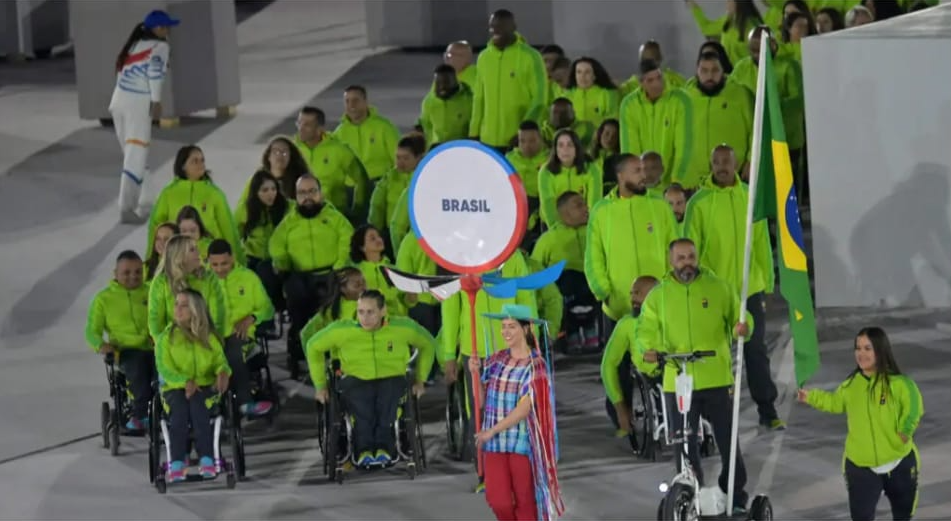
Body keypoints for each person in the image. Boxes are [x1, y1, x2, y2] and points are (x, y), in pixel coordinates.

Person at [639, 238, 752, 516]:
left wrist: (743, 327)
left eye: (690, 256)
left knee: (728, 441)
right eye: (680, 258)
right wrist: (648, 350)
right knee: (684, 446)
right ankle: (692, 497)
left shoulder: (718, 288)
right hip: (676, 381)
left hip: (715, 378)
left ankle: (735, 495)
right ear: (671, 262)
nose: (686, 262)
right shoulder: (658, 296)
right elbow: (644, 332)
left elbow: (741, 316)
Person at [684, 145, 782, 429]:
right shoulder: (698, 204)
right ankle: (715, 417)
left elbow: (763, 242)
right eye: (716, 162)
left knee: (755, 351)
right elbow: (690, 246)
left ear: (736, 163)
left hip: (750, 290)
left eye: (727, 161)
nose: (722, 167)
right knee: (716, 355)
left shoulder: (750, 198)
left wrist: (768, 282)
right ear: (711, 165)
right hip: (714, 293)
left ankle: (768, 410)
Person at [798, 327, 924, 521]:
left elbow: (913, 408)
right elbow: (835, 402)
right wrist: (811, 397)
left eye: (867, 348)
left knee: (903, 516)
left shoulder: (900, 384)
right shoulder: (850, 385)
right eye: (858, 348)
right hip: (861, 467)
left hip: (900, 462)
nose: (861, 353)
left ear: (880, 350)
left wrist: (904, 433)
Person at [310, 290, 436, 467]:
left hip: (392, 379)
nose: (365, 317)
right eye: (361, 312)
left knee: (387, 395)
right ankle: (364, 450)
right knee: (363, 399)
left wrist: (420, 380)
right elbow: (312, 347)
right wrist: (320, 385)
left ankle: (384, 448)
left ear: (383, 310)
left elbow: (428, 344)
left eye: (370, 312)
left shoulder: (402, 327)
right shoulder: (342, 329)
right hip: (355, 379)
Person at [471, 304, 564, 521]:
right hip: (495, 444)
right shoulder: (496, 360)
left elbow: (525, 407)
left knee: (525, 501)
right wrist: (475, 374)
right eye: (503, 327)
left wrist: (492, 430)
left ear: (525, 329)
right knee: (498, 500)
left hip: (521, 443)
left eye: (511, 326)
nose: (505, 332)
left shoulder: (536, 365)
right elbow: (481, 400)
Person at [269, 175, 354, 377]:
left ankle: (331, 354)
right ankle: (299, 353)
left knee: (329, 310)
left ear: (320, 193)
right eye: (302, 193)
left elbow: (347, 239)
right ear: (296, 197)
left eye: (312, 192)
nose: (308, 197)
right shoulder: (289, 222)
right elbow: (276, 246)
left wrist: (339, 267)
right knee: (297, 306)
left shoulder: (334, 218)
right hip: (300, 276)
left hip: (330, 274)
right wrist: (284, 265)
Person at [585, 154, 678, 331]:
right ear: (620, 175)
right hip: (618, 307)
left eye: (643, 170)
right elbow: (593, 255)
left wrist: (672, 287)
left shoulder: (660, 206)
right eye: (637, 171)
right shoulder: (601, 211)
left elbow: (674, 248)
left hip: (659, 303)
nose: (644, 176)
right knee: (616, 358)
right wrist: (603, 292)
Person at [109, 10, 179, 223]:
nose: (167, 30)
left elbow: (121, 73)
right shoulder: (160, 47)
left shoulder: (133, 45)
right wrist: (156, 101)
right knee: (135, 156)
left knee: (135, 155)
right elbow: (155, 74)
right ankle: (126, 208)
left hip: (118, 104)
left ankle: (148, 200)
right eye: (164, 27)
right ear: (155, 28)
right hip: (137, 106)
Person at [154, 289, 231, 482]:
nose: (178, 309)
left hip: (203, 387)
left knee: (199, 407)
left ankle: (207, 458)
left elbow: (220, 361)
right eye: (176, 304)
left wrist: (223, 372)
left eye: (184, 305)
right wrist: (184, 382)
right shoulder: (166, 338)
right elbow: (164, 368)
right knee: (179, 411)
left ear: (196, 310)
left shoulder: (209, 338)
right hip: (174, 388)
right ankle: (178, 461)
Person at [85, 250, 154, 431]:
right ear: (115, 273)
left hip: (155, 347)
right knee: (138, 368)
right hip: (125, 350)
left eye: (138, 272)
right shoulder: (104, 299)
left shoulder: (152, 291)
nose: (133, 276)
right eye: (126, 272)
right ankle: (140, 414)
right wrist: (102, 345)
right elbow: (92, 331)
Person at [207, 239, 275, 417]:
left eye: (224, 264)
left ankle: (245, 403)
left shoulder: (248, 278)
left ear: (232, 258)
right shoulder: (202, 282)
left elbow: (267, 309)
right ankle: (208, 404)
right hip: (211, 336)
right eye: (214, 264)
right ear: (207, 261)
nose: (220, 269)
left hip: (241, 335)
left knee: (233, 353)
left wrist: (251, 318)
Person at [147, 145, 245, 264]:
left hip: (210, 259)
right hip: (176, 256)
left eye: (202, 160)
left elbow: (229, 230)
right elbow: (155, 227)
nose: (201, 164)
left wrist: (238, 261)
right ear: (183, 166)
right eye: (195, 161)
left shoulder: (214, 193)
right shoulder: (168, 193)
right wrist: (149, 259)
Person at [469, 9, 547, 151]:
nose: (495, 30)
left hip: (519, 141)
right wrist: (474, 132)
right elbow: (479, 98)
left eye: (501, 26)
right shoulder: (484, 57)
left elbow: (539, 98)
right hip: (487, 140)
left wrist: (524, 132)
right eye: (492, 26)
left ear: (513, 27)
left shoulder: (531, 56)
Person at [681, 50, 754, 189]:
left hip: (733, 176)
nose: (710, 76)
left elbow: (756, 131)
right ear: (697, 72)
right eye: (704, 70)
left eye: (715, 70)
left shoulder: (741, 95)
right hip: (694, 181)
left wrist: (751, 161)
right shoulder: (685, 98)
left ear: (723, 71)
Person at [601, 275, 660, 439]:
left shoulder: (671, 319)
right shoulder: (626, 324)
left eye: (639, 293)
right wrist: (620, 406)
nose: (633, 298)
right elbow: (608, 365)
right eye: (632, 293)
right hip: (647, 376)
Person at [619, 59, 691, 189]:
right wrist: (636, 180)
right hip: (642, 186)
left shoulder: (681, 101)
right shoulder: (629, 105)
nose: (657, 84)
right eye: (650, 80)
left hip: (673, 187)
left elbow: (684, 145)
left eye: (659, 77)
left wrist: (677, 181)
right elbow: (629, 148)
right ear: (641, 83)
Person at [293, 106, 370, 221]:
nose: (301, 128)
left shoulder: (339, 150)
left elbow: (361, 178)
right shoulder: (292, 149)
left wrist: (358, 209)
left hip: (333, 217)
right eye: (299, 123)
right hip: (299, 216)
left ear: (319, 129)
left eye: (307, 125)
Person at [148, 234, 227, 341]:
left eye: (197, 248)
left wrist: (216, 340)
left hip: (205, 340)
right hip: (173, 343)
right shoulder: (161, 282)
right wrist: (163, 347)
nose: (198, 252)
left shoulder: (208, 277)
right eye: (192, 250)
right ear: (179, 256)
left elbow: (218, 313)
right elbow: (155, 320)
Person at [368, 134, 426, 251]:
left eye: (405, 158)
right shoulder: (389, 178)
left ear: (419, 158)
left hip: (416, 238)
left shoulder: (425, 178)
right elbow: (377, 206)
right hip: (389, 235)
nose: (400, 163)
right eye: (398, 157)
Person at [334, 85, 402, 183]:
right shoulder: (339, 134)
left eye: (355, 100)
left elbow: (399, 157)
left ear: (365, 102)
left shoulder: (384, 127)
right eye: (347, 101)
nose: (351, 105)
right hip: (353, 187)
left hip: (381, 182)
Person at [537, 129, 603, 229]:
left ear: (577, 148)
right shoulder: (546, 171)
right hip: (553, 224)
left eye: (570, 145)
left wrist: (589, 223)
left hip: (584, 221)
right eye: (561, 145)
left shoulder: (591, 168)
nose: (565, 149)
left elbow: (594, 200)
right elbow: (548, 203)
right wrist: (556, 228)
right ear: (555, 149)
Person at [348, 224, 405, 316]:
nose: (378, 240)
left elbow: (406, 301)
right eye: (372, 238)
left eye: (379, 236)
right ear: (362, 247)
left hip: (394, 322)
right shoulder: (356, 272)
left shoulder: (393, 269)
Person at [686, 0, 764, 65]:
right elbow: (707, 28)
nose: (727, 4)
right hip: (731, 77)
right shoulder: (728, 21)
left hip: (749, 77)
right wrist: (692, 5)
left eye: (729, 1)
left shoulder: (754, 26)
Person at [418, 65, 473, 147]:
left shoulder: (468, 100)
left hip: (462, 149)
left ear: (455, 81)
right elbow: (425, 125)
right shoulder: (429, 102)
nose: (442, 87)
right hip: (437, 150)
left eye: (447, 82)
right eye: (438, 83)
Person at [566, 57, 619, 130]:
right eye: (579, 72)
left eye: (587, 72)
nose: (582, 76)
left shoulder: (607, 94)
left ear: (595, 75)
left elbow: (613, 122)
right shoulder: (567, 95)